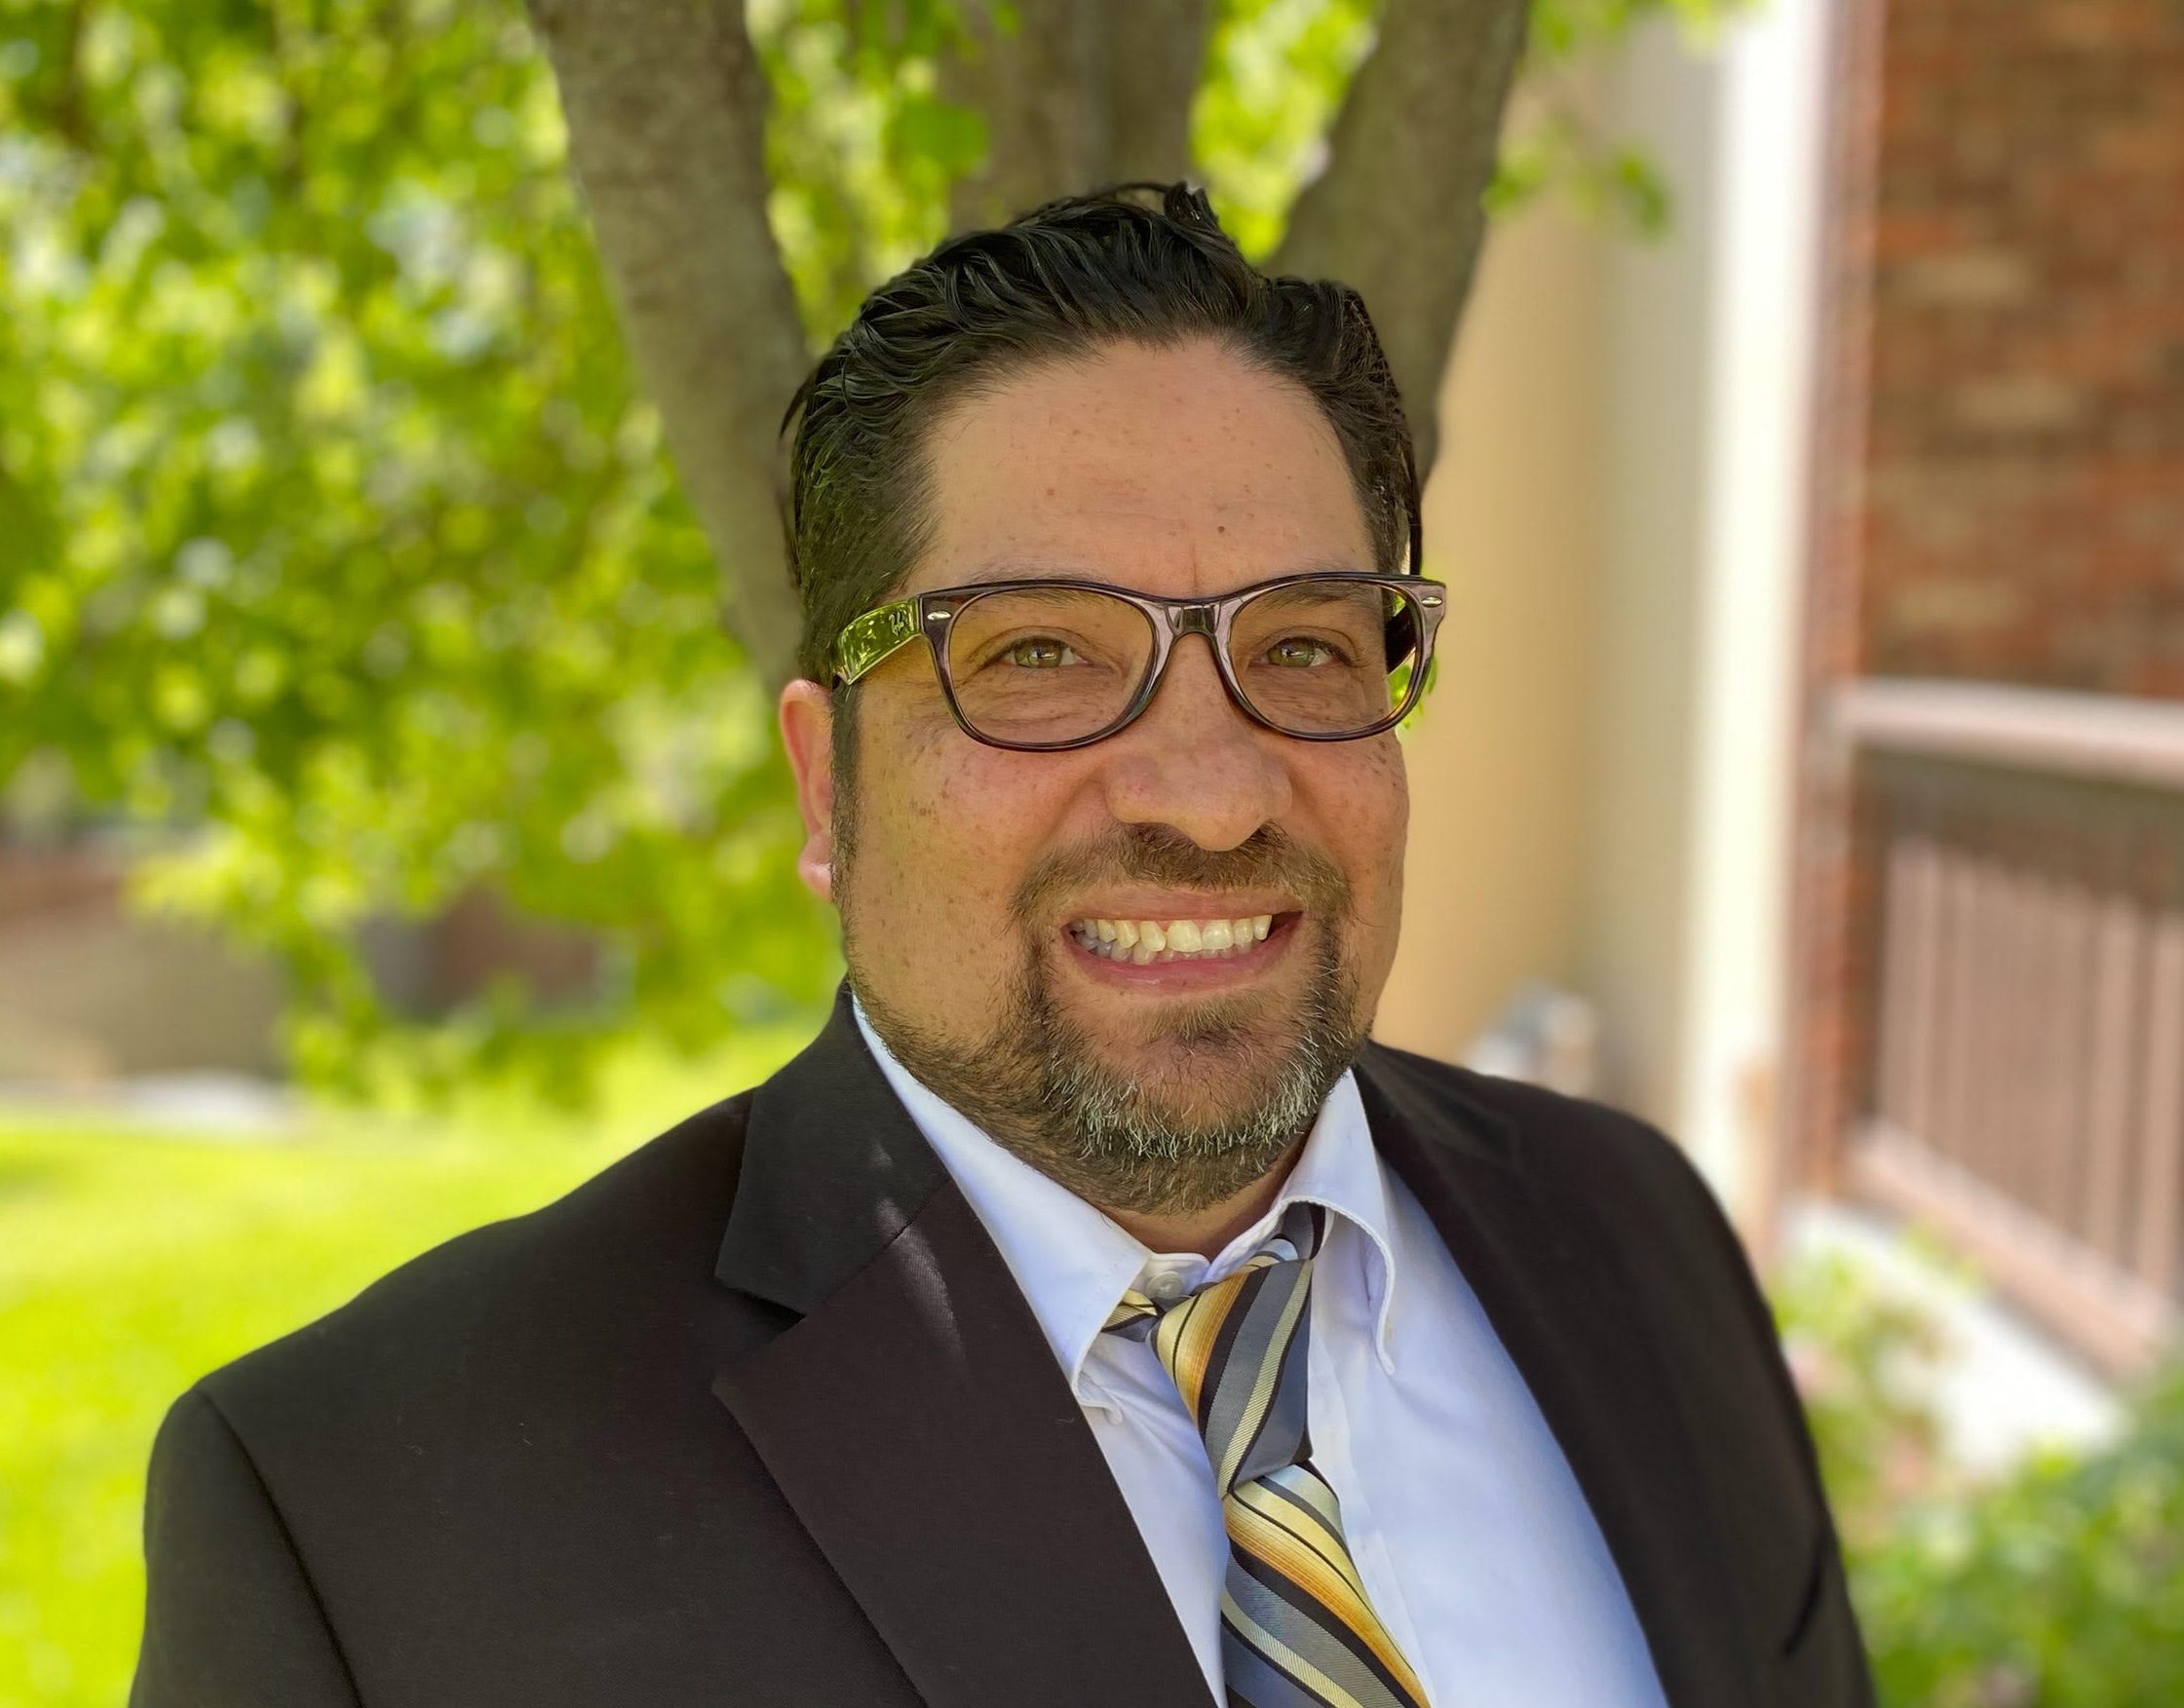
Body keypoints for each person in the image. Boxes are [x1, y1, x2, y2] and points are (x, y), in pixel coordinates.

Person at [132, 184, 1872, 1708]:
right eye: (1037, 652)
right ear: (831, 783)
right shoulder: (371, 1515)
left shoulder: (1635, 1241)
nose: (1205, 793)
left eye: (1308, 646)